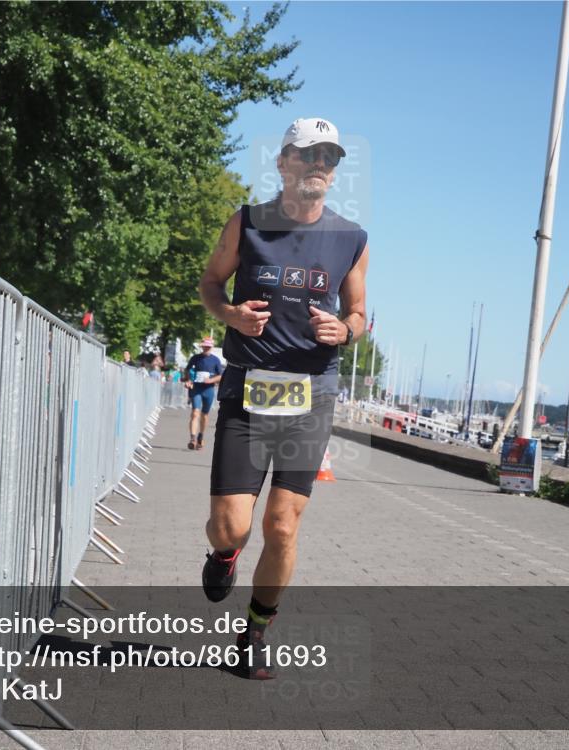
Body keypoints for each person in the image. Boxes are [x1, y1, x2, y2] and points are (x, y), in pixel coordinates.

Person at [197, 117, 370, 679]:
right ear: (283, 162)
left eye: (330, 157)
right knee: (232, 526)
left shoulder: (352, 239)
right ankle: (224, 556)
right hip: (248, 388)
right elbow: (209, 284)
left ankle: (254, 632)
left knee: (284, 526)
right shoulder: (247, 223)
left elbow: (360, 314)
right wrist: (229, 314)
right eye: (309, 153)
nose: (321, 164)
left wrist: (345, 330)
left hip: (310, 396)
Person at [183, 337, 224, 450]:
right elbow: (188, 371)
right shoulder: (195, 358)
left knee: (204, 415)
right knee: (195, 412)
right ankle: (193, 438)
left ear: (211, 347)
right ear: (202, 346)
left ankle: (201, 435)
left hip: (208, 390)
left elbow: (220, 376)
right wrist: (188, 380)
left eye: (208, 347)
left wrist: (210, 380)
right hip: (196, 388)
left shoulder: (215, 360)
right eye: (204, 346)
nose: (206, 348)